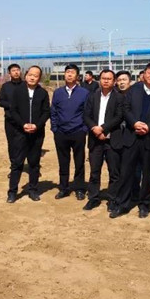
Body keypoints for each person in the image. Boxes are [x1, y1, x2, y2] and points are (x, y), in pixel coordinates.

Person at [111, 62, 150, 219]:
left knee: (148, 174)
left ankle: (145, 204)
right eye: (149, 72)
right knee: (126, 173)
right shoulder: (134, 89)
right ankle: (122, 204)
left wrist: (149, 127)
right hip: (131, 137)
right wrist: (135, 123)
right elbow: (126, 109)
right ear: (143, 74)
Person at [6, 66, 50, 203]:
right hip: (20, 132)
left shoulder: (43, 93)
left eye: (36, 76)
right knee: (17, 163)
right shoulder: (18, 91)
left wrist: (37, 125)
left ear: (39, 78)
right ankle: (12, 192)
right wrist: (23, 124)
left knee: (34, 163)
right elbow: (13, 111)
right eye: (30, 74)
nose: (32, 77)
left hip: (37, 134)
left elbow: (46, 112)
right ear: (25, 76)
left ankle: (33, 190)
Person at [83, 69, 125, 211]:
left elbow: (119, 116)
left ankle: (112, 199)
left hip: (112, 140)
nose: (106, 81)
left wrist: (103, 129)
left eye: (109, 78)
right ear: (99, 80)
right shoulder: (92, 96)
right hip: (95, 139)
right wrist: (94, 128)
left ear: (114, 81)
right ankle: (93, 198)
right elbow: (86, 115)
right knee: (94, 172)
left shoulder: (119, 97)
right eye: (103, 78)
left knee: (114, 173)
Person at [51, 64, 89, 200]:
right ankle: (64, 188)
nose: (69, 74)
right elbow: (53, 112)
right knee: (63, 162)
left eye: (72, 72)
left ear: (77, 76)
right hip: (61, 133)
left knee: (79, 162)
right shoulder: (57, 92)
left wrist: (84, 129)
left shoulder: (84, 93)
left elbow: (87, 112)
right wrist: (55, 128)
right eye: (67, 72)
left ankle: (79, 188)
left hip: (78, 132)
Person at [0, 64, 23, 166]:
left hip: (23, 120)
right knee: (11, 143)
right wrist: (11, 105)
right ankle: (14, 165)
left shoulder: (25, 85)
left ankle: (24, 164)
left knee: (24, 143)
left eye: (18, 70)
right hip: (10, 120)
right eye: (13, 70)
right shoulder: (6, 86)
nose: (16, 72)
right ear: (9, 73)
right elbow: (0, 101)